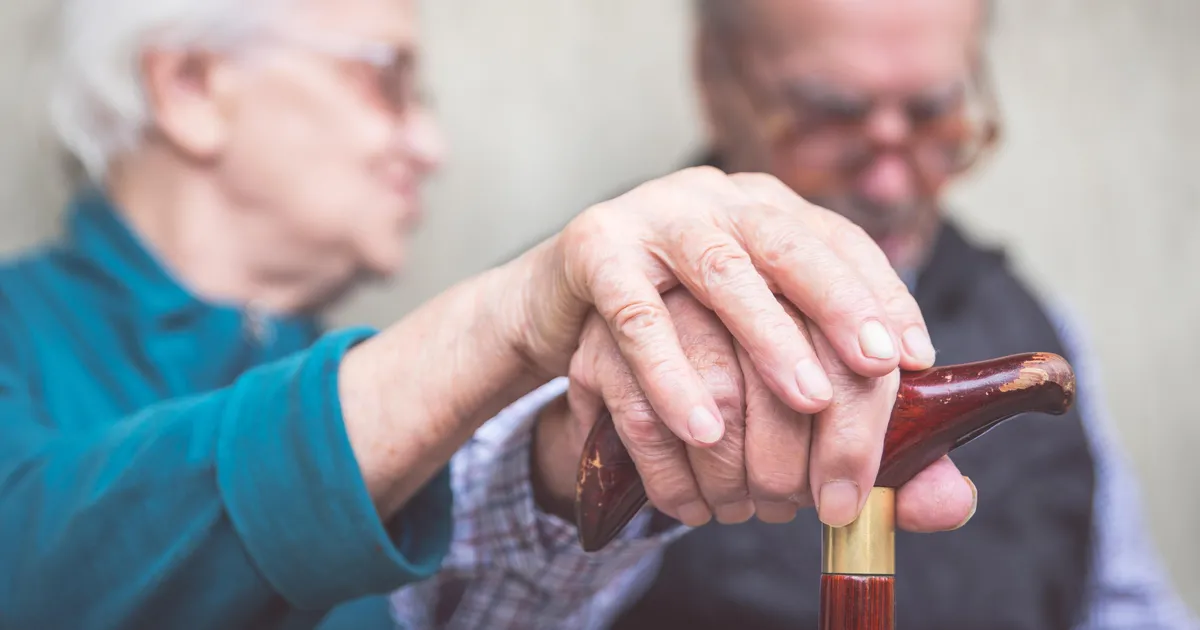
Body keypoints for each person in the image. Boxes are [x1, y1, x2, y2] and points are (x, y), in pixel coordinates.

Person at [0, 0, 981, 628]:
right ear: (190, 86)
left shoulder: (365, 386)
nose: (430, 144)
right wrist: (501, 319)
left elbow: (446, 595)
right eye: (385, 81)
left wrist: (591, 447)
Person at [539, 0, 1196, 629]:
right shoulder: (574, 327)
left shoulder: (1035, 323)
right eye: (831, 116)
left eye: (933, 112)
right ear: (716, 79)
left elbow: (1122, 607)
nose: (889, 185)